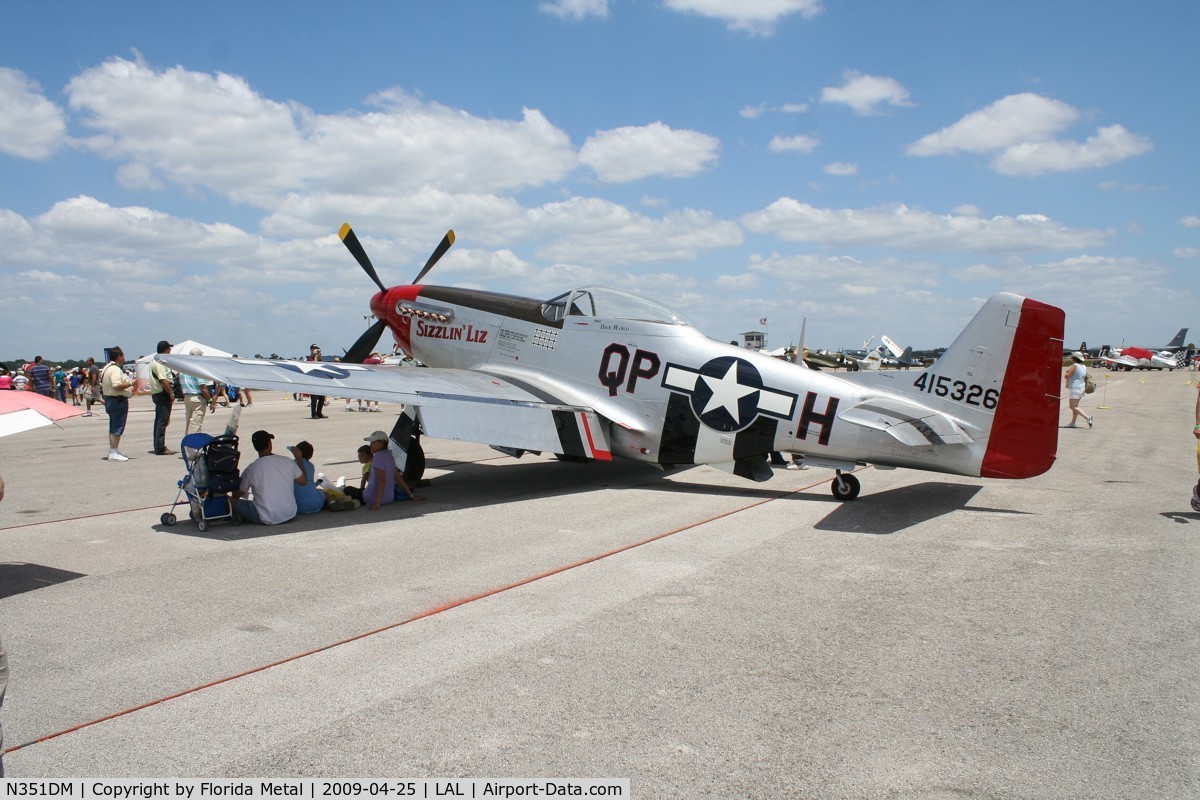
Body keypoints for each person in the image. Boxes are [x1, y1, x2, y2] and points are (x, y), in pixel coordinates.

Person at [233, 430, 305, 525]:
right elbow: (303, 481)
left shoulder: (251, 469)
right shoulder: (287, 461)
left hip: (266, 517)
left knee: (229, 502)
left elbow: (236, 495)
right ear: (270, 444)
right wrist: (299, 459)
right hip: (289, 514)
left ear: (255, 447)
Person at [362, 430, 423, 510]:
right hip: (388, 498)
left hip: (371, 498)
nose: (370, 445)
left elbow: (382, 481)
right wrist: (411, 495)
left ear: (382, 443)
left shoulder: (378, 457)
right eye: (370, 443)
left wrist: (377, 503)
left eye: (373, 442)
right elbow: (399, 478)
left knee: (348, 490)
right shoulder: (389, 455)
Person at [100, 346, 135, 461]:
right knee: (117, 426)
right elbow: (116, 385)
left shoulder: (106, 368)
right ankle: (113, 451)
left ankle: (113, 449)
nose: (124, 358)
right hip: (117, 400)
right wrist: (131, 383)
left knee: (113, 426)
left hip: (110, 399)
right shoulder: (115, 369)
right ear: (119, 356)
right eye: (123, 355)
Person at [150, 340, 177, 455]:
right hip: (162, 393)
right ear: (165, 349)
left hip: (158, 393)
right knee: (162, 421)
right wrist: (171, 393)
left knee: (159, 421)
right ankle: (160, 447)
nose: (170, 351)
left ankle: (158, 445)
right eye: (169, 349)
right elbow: (163, 380)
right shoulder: (160, 362)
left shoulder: (155, 361)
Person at [179, 348, 212, 436]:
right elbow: (203, 387)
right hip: (197, 398)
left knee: (189, 422)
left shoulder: (183, 369)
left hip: (187, 397)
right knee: (196, 423)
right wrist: (210, 400)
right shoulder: (197, 368)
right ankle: (193, 447)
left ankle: (187, 443)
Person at [289, 440, 326, 514]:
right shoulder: (311, 466)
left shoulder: (290, 464)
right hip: (316, 503)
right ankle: (332, 503)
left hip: (296, 506)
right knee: (324, 492)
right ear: (310, 456)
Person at [1064, 351, 1094, 429]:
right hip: (1081, 387)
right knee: (1076, 407)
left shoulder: (1074, 366)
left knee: (1072, 407)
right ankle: (1073, 423)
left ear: (1074, 358)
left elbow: (1067, 376)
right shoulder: (1083, 366)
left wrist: (1067, 372)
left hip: (1075, 388)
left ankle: (1087, 417)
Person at [308, 344, 327, 418]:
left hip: (319, 381)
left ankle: (319, 412)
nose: (316, 350)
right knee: (314, 399)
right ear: (311, 350)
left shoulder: (318, 358)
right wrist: (315, 357)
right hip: (313, 381)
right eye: (315, 349)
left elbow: (322, 366)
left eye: (317, 349)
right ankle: (313, 414)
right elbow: (313, 366)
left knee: (322, 398)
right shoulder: (309, 359)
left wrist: (319, 358)